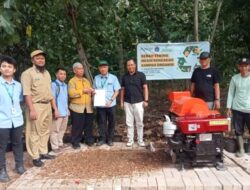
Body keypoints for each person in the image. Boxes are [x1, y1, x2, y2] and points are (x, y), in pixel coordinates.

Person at [21, 50, 59, 167]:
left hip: (47, 105)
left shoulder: (46, 73)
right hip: (35, 105)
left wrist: (55, 109)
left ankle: (43, 152)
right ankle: (35, 157)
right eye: (38, 58)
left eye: (42, 58)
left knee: (45, 130)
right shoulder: (27, 74)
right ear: (33, 60)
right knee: (34, 132)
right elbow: (27, 93)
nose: (41, 60)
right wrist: (32, 109)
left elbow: (50, 93)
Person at [0, 56, 25, 182]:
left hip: (17, 120)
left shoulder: (19, 85)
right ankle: (2, 170)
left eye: (10, 66)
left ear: (14, 70)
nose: (6, 69)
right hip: (2, 121)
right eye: (4, 66)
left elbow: (20, 101)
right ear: (0, 68)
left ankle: (19, 165)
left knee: (18, 143)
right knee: (1, 147)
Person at [120, 58, 149, 147]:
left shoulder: (141, 75)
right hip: (127, 102)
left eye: (132, 64)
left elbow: (145, 88)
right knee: (129, 123)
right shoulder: (124, 77)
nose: (130, 66)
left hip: (139, 102)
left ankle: (140, 140)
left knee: (139, 122)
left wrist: (146, 100)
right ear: (126, 67)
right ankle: (130, 140)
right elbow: (122, 90)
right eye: (128, 65)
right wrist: (121, 102)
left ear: (135, 65)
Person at [93, 60, 121, 146]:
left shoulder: (113, 78)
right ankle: (102, 139)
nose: (103, 69)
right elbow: (94, 90)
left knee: (112, 122)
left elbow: (117, 91)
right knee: (101, 122)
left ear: (107, 68)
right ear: (99, 68)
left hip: (110, 104)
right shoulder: (96, 78)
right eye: (101, 67)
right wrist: (93, 92)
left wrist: (111, 100)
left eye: (104, 67)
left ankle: (110, 139)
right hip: (100, 105)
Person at [227, 58, 250, 157]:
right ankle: (241, 150)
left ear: (249, 66)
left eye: (246, 65)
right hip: (237, 109)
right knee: (238, 130)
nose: (244, 68)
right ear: (238, 67)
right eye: (242, 66)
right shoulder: (234, 78)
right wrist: (228, 107)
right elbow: (231, 93)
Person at [68, 62, 95, 149]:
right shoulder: (72, 81)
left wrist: (92, 92)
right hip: (77, 108)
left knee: (88, 125)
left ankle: (88, 140)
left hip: (88, 107)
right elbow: (71, 94)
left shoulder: (86, 81)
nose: (81, 70)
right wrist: (83, 91)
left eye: (82, 69)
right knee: (77, 126)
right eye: (79, 69)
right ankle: (75, 141)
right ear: (74, 70)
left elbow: (89, 93)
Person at [50, 68, 69, 153]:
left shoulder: (65, 85)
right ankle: (54, 146)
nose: (63, 75)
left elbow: (65, 99)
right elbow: (52, 98)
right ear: (56, 75)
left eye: (64, 74)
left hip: (64, 111)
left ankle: (60, 143)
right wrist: (55, 110)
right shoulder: (54, 85)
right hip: (58, 111)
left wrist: (67, 109)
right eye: (61, 74)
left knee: (62, 129)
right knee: (55, 130)